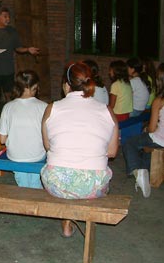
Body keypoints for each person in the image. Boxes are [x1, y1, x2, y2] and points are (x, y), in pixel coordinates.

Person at [41, 62, 118, 237]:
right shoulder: (107, 111)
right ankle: (79, 219)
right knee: (84, 182)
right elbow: (112, 152)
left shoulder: (52, 108)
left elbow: (47, 146)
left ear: (66, 85)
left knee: (68, 181)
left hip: (56, 183)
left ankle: (67, 222)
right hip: (93, 185)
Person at [122, 63, 164, 198]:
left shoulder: (159, 100)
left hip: (162, 140)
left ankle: (137, 172)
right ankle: (145, 172)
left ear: (161, 81)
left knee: (130, 142)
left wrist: (148, 128)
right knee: (146, 146)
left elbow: (151, 129)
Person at [0, 6, 40, 128]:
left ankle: (11, 118)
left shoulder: (12, 32)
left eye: (8, 17)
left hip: (8, 69)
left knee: (9, 96)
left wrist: (28, 49)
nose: (8, 19)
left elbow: (18, 48)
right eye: (5, 16)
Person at [0, 70, 47, 188]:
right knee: (34, 180)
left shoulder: (8, 107)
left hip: (16, 155)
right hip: (37, 154)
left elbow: (2, 140)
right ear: (35, 86)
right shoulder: (44, 107)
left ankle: (26, 190)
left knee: (24, 181)